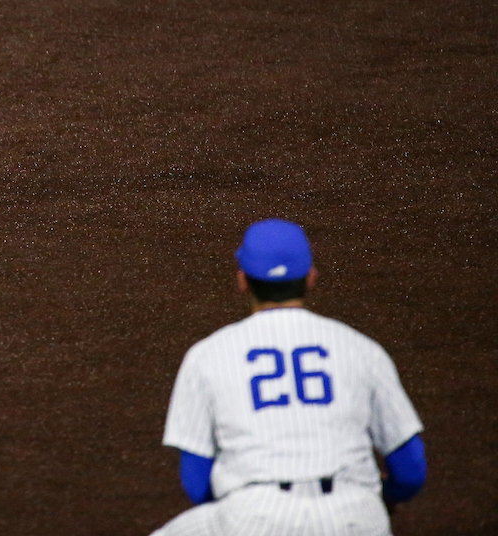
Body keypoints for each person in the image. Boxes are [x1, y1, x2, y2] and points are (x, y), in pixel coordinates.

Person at [152, 218, 426, 535]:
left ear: (242, 280)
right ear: (311, 278)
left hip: (257, 517)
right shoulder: (361, 349)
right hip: (353, 516)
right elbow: (411, 471)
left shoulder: (208, 355)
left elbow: (196, 483)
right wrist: (381, 499)